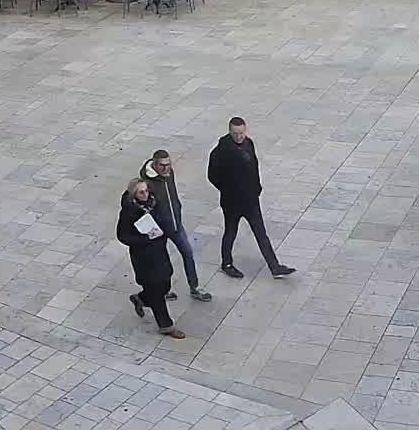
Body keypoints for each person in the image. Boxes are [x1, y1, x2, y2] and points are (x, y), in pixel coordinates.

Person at [207, 117, 295, 279]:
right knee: (231, 231)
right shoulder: (221, 151)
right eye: (235, 133)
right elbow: (212, 175)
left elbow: (254, 167)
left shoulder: (249, 144)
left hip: (251, 201)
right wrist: (228, 190)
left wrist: (257, 188)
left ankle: (274, 267)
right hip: (232, 203)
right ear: (229, 131)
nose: (239, 136)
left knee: (261, 234)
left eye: (241, 133)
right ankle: (226, 263)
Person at [116, 178, 186, 338]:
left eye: (146, 190)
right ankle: (166, 325)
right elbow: (122, 235)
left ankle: (140, 298)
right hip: (144, 257)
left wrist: (165, 231)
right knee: (156, 291)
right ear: (134, 194)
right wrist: (145, 240)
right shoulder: (129, 211)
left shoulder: (154, 203)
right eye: (141, 192)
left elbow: (162, 220)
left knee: (165, 283)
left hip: (159, 252)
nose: (145, 194)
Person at [142, 150, 212, 301]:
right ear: (154, 164)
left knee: (187, 253)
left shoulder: (169, 174)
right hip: (159, 228)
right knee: (160, 261)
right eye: (162, 165)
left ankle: (195, 287)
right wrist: (152, 229)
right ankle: (163, 290)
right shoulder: (147, 182)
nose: (166, 168)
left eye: (168, 165)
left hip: (175, 224)